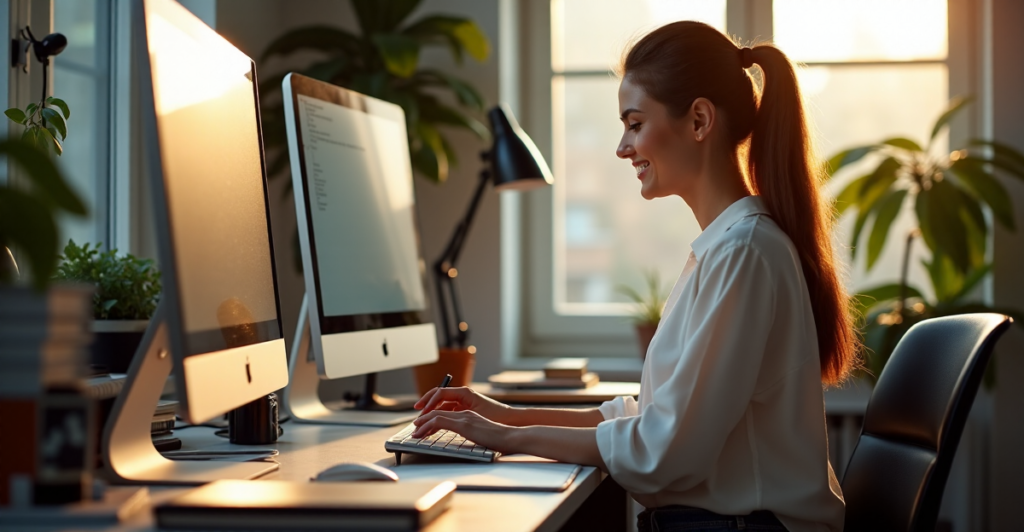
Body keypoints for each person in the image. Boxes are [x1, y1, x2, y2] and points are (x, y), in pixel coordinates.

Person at [411, 20, 858, 532]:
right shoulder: (728, 248)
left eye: (635, 123)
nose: (623, 148)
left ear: (699, 120)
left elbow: (663, 451)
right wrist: (503, 415)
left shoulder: (745, 253)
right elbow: (650, 417)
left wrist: (504, 438)